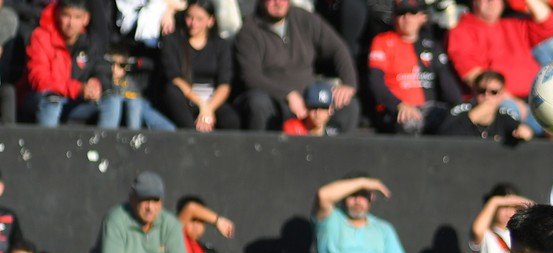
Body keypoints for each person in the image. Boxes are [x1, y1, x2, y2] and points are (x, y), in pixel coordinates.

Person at [233, 0, 359, 131]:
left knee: (349, 106)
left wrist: (349, 84)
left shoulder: (304, 18)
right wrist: (287, 94)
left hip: (310, 96)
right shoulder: (249, 31)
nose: (278, 3)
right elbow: (250, 77)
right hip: (274, 99)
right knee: (258, 103)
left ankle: (337, 150)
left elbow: (338, 48)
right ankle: (261, 149)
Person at [365, 0, 462, 135]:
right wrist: (399, 105)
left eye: (412, 13)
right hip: (397, 110)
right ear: (394, 17)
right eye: (401, 13)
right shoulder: (382, 41)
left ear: (422, 17)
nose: (407, 18)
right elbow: (376, 83)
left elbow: (447, 82)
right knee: (409, 123)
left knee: (456, 121)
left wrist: (460, 108)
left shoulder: (432, 46)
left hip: (430, 110)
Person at [24, 0, 111, 128]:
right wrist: (79, 89)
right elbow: (40, 81)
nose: (71, 23)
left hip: (74, 102)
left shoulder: (89, 41)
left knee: (112, 101)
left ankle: (105, 146)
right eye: (66, 15)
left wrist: (96, 83)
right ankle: (46, 146)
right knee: (52, 100)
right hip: (41, 100)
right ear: (58, 14)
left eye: (77, 17)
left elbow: (102, 66)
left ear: (86, 18)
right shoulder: (41, 37)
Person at [158, 0, 240, 131]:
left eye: (200, 19)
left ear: (210, 21)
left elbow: (224, 84)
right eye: (189, 17)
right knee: (171, 91)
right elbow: (175, 77)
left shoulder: (221, 45)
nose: (193, 24)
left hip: (212, 101)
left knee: (231, 120)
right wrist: (201, 104)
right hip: (185, 98)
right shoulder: (173, 40)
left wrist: (208, 109)